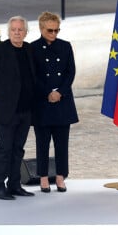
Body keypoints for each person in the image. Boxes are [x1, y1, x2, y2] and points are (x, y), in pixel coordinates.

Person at [0, 16, 36, 200]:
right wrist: (0, 94)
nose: (17, 33)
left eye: (20, 30)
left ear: (26, 32)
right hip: (6, 111)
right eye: (14, 30)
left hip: (25, 110)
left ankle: (14, 185)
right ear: (8, 32)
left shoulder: (29, 49)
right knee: (4, 149)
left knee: (18, 149)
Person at [32, 11, 78, 193]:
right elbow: (33, 75)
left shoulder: (65, 46)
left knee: (62, 142)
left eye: (56, 30)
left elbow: (70, 72)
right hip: (42, 103)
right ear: (41, 29)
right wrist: (47, 93)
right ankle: (43, 177)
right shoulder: (33, 48)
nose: (53, 34)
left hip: (62, 101)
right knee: (42, 142)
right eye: (50, 30)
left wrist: (60, 92)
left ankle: (60, 177)